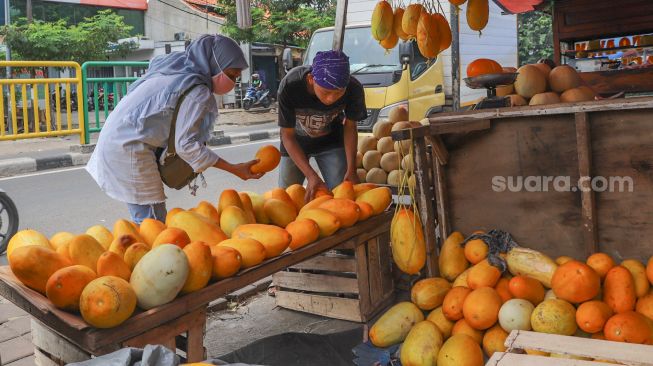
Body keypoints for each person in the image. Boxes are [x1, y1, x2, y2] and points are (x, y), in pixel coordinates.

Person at [86, 34, 263, 224]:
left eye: (236, 77)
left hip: (120, 139)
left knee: (148, 223)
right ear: (214, 64)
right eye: (230, 74)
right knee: (152, 223)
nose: (233, 82)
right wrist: (234, 168)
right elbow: (186, 145)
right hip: (128, 147)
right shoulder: (196, 90)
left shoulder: (176, 73)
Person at [277, 50, 367, 201]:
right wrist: (311, 175)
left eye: (339, 93)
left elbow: (350, 127)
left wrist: (351, 169)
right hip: (295, 143)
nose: (331, 98)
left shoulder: (353, 89)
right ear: (311, 79)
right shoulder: (290, 86)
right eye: (326, 92)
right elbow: (287, 135)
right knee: (286, 198)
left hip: (331, 142)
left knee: (341, 197)